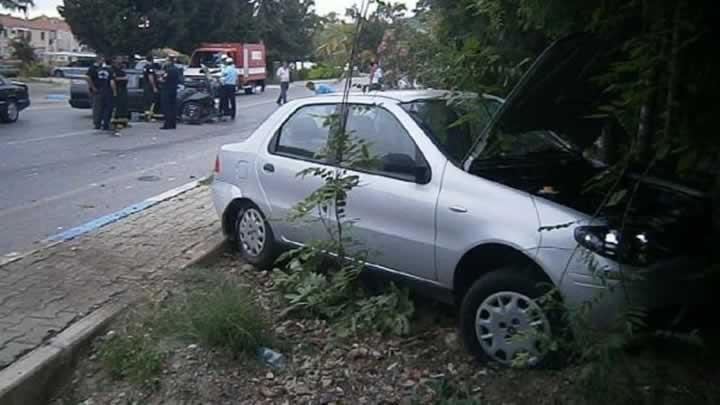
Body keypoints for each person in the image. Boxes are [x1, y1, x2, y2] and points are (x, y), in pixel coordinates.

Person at [86, 57, 116, 131]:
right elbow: (112, 82)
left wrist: (92, 87)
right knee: (107, 108)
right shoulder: (109, 70)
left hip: (98, 91)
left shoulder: (95, 69)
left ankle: (97, 124)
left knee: (97, 108)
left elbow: (87, 77)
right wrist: (115, 92)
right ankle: (105, 124)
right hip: (107, 91)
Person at [160, 57, 181, 130]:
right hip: (174, 89)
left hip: (166, 90)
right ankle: (173, 124)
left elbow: (163, 80)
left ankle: (167, 124)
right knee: (173, 107)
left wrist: (160, 79)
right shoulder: (176, 69)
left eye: (166, 61)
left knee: (167, 108)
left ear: (169, 61)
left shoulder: (168, 70)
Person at [111, 58, 129, 132]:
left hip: (123, 90)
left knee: (123, 106)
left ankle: (124, 122)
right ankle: (116, 123)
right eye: (119, 63)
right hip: (117, 89)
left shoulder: (122, 70)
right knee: (118, 107)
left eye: (121, 63)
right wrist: (123, 78)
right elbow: (113, 79)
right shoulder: (112, 71)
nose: (121, 65)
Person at [142, 55, 160, 120]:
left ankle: (146, 116)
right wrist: (154, 87)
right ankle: (150, 117)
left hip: (145, 86)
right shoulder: (150, 67)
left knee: (147, 102)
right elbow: (151, 77)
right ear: (152, 60)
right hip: (150, 87)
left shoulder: (145, 67)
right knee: (152, 101)